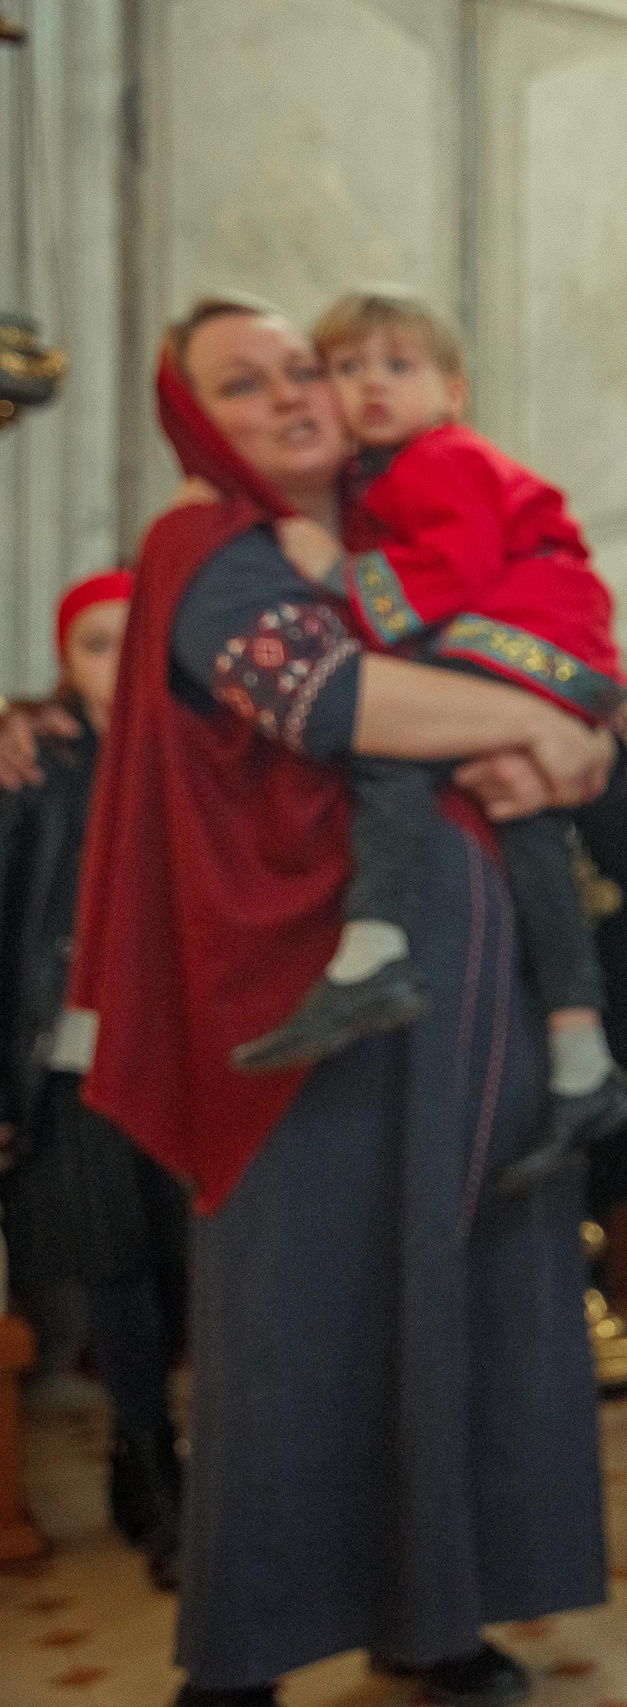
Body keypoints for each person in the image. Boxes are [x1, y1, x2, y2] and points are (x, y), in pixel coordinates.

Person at [80, 297, 610, 1707]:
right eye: (244, 385)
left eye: (302, 367)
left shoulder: (409, 536)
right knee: (295, 1326)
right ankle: (241, 1657)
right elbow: (333, 703)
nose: (293, 396)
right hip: (300, 1008)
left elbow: (557, 678)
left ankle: (434, 1618)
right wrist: (544, 723)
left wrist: (575, 746)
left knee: (460, 1296)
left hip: (472, 980)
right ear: (197, 420)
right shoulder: (210, 553)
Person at [232, 287, 627, 1198]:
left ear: (452, 391)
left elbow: (452, 565)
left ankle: (372, 946)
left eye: (398, 366)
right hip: (558, 648)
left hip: (522, 633)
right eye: (348, 367)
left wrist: (337, 573)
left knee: (394, 741)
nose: (371, 385)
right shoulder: (394, 470)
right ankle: (582, 1054)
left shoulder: (435, 461)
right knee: (528, 827)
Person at [0, 570, 193, 1591]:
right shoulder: (33, 767)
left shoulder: (201, 753)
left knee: (188, 1266)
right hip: (77, 1062)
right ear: (64, 661)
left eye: (136, 640)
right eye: (94, 645)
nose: (118, 664)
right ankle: (153, 1470)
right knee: (114, 1271)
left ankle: (154, 1458)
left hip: (194, 1058)